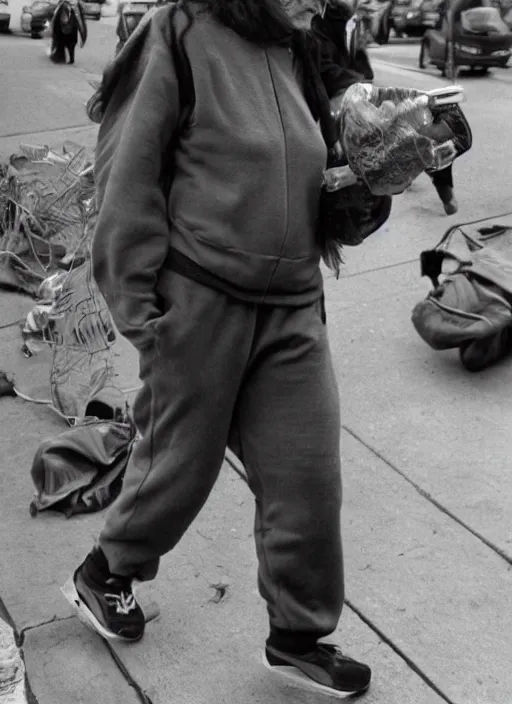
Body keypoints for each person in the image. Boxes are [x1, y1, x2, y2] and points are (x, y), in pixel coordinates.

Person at [63, 0, 372, 698]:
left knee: (308, 475)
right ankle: (106, 571)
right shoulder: (177, 33)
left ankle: (297, 636)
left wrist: (371, 186)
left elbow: (318, 183)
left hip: (292, 307)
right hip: (199, 300)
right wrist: (146, 316)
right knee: (180, 464)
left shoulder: (296, 50)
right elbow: (126, 175)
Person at [314, 0, 459, 215]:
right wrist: (351, 92)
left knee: (423, 127)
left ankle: (444, 192)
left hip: (355, 100)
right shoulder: (320, 21)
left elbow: (357, 60)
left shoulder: (348, 19)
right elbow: (323, 67)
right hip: (336, 109)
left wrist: (369, 88)